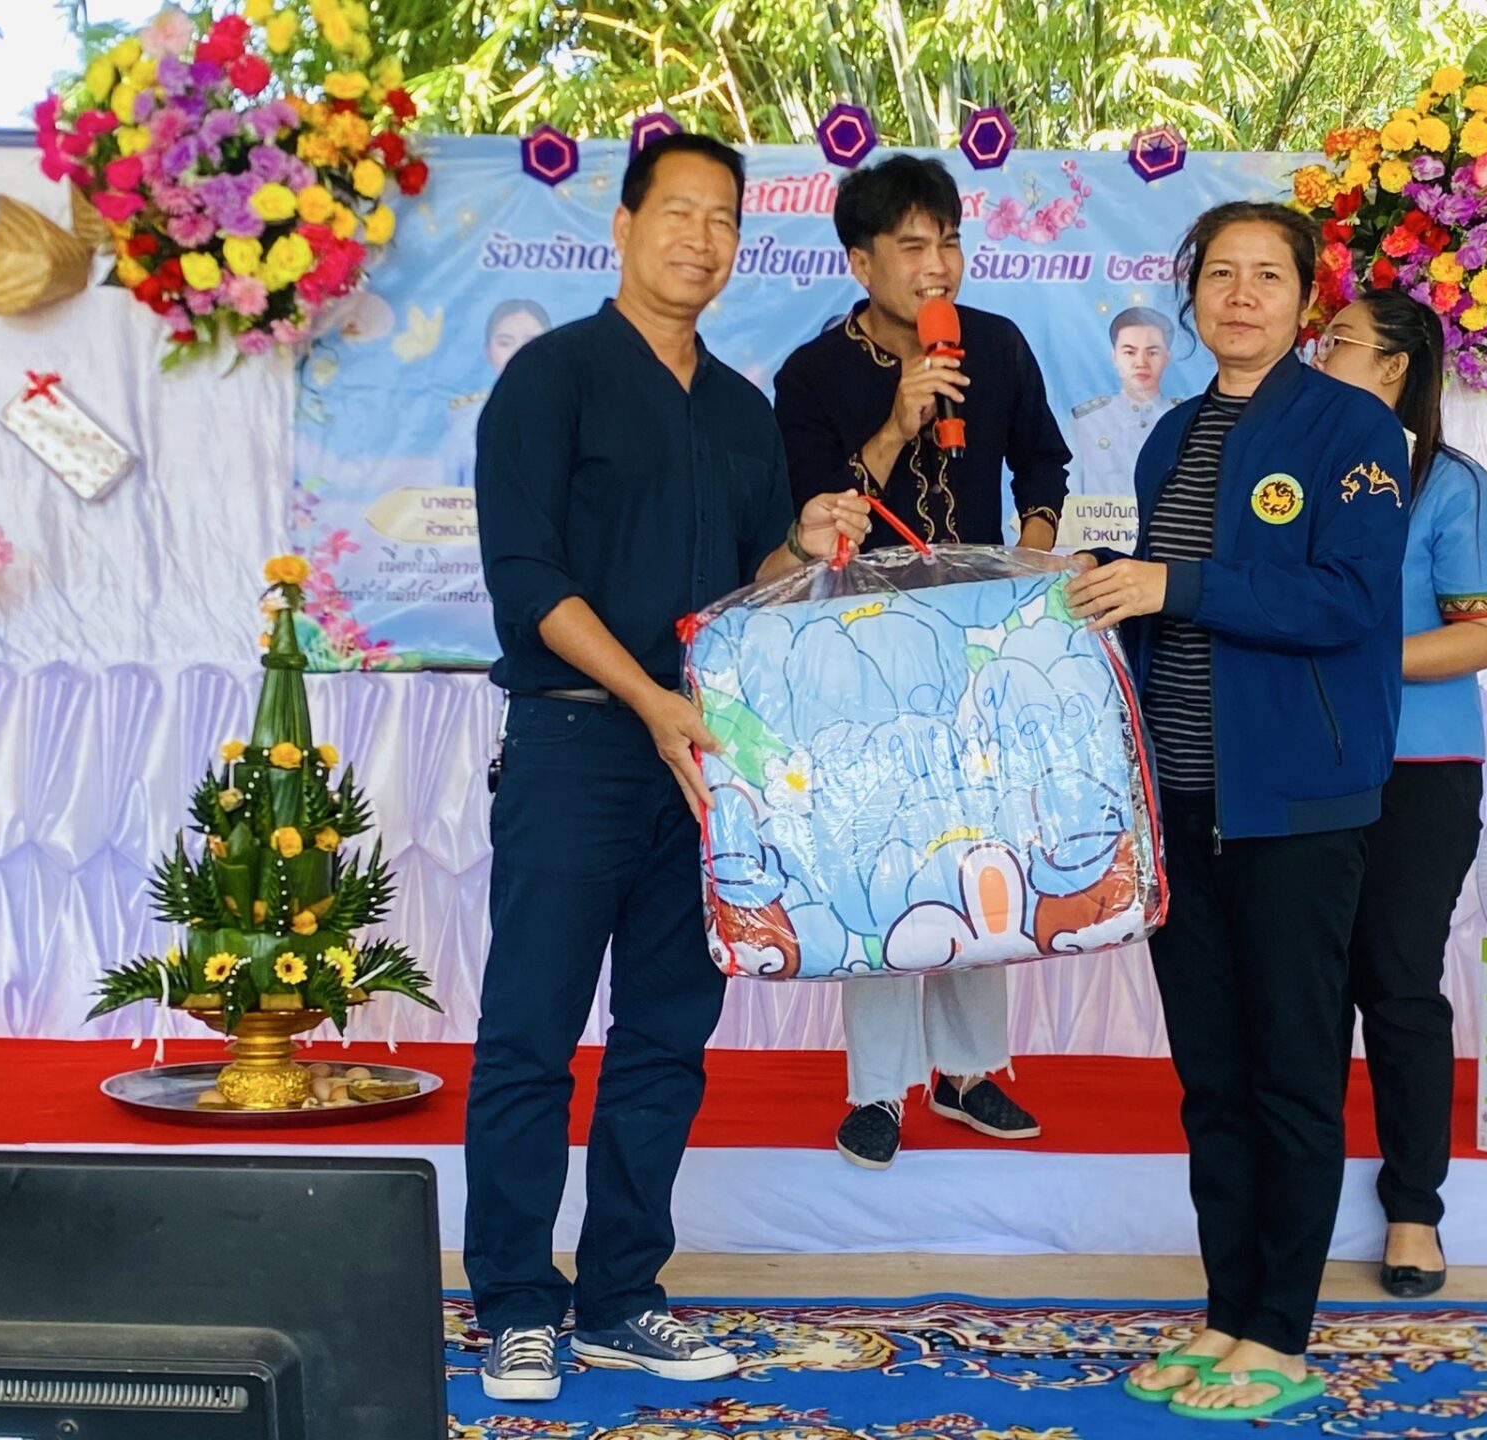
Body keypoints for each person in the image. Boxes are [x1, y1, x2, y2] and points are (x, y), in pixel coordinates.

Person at [467, 132, 871, 1404]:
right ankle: (514, 1302)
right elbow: (526, 579)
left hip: (701, 762)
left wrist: (802, 543)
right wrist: (646, 700)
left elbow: (750, 586)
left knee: (665, 1036)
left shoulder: (742, 410)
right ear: (625, 226)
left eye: (723, 220)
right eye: (678, 212)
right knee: (530, 1033)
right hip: (580, 743)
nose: (701, 239)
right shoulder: (551, 379)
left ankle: (620, 1295)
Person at [1065, 202, 1412, 1421]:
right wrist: (1103, 592)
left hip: (1298, 806)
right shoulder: (1171, 434)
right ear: (1192, 293)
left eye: (1269, 275)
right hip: (1181, 803)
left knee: (1291, 1076)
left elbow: (1348, 600)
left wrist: (1176, 584)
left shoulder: (1351, 426)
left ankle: (1281, 1333)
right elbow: (1167, 603)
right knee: (1211, 1077)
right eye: (1222, 274)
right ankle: (1225, 1315)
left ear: (1305, 299)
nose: (1243, 295)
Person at [770, 153, 1071, 1170]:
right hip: (858, 644)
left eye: (947, 241)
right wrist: (899, 421)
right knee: (884, 856)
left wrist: (1030, 554)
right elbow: (813, 513)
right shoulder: (812, 376)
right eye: (911, 246)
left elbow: (1043, 460)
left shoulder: (996, 343)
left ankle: (970, 1070)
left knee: (983, 847)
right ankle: (877, 1090)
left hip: (979, 639)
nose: (937, 264)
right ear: (861, 263)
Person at [1312, 290, 1487, 1298]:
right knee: (1301, 990)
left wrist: (1352, 660)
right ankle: (1294, 1202)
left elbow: (1486, 635)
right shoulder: (1290, 473)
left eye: (1338, 343)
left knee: (1396, 983)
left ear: (1394, 368)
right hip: (1301, 766)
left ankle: (1413, 1211)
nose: (1319, 356)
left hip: (1419, 773)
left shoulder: (1451, 485)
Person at [1069, 306, 1180, 501]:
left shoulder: (1185, 418)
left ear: (1167, 357)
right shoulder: (1087, 422)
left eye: (1152, 353)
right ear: (1114, 357)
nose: (1141, 362)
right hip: (1099, 522)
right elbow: (1070, 497)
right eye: (1130, 352)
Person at [444, 299, 553, 489]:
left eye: (531, 342)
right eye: (505, 343)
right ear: (488, 352)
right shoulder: (464, 423)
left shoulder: (572, 414)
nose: (518, 352)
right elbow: (447, 493)